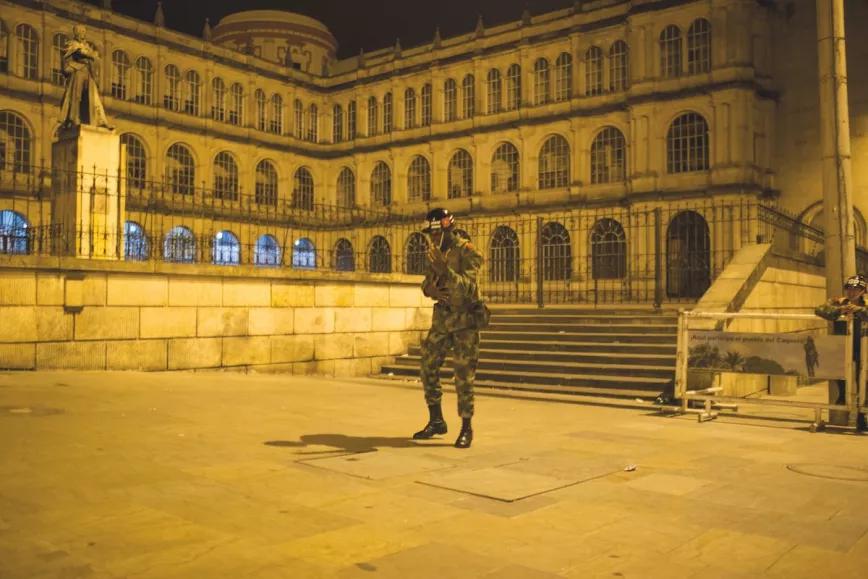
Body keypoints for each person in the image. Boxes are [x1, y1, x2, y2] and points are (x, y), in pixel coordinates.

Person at [412, 208, 489, 448]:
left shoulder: (469, 252)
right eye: (430, 235)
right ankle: (436, 420)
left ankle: (466, 428)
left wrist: (447, 272)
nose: (432, 239)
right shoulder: (436, 253)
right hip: (443, 319)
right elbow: (426, 282)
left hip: (465, 320)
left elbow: (467, 287)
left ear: (448, 229)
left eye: (436, 234)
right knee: (427, 365)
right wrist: (430, 290)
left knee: (464, 376)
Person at [815, 274, 868, 430]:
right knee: (842, 378)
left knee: (864, 382)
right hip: (842, 347)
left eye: (856, 289)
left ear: (863, 290)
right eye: (849, 289)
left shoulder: (866, 303)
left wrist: (860, 310)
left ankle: (861, 416)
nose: (852, 292)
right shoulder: (837, 301)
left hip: (863, 348)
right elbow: (819, 310)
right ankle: (843, 401)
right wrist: (840, 310)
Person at [59, 25, 112, 129]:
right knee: (76, 96)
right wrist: (90, 55)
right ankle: (73, 119)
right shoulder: (71, 44)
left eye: (83, 31)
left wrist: (91, 55)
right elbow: (77, 53)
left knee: (94, 98)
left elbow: (95, 58)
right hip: (78, 71)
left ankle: (100, 120)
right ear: (75, 32)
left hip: (88, 72)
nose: (82, 33)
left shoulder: (87, 46)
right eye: (79, 31)